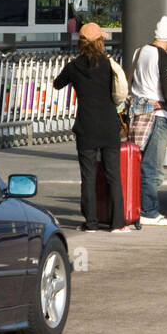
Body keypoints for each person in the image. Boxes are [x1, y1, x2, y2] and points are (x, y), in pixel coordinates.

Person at [54, 23, 126, 232]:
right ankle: (117, 223)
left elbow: (57, 84)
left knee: (88, 176)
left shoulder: (73, 66)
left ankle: (91, 223)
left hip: (86, 126)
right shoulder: (108, 64)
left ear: (81, 43)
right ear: (100, 42)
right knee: (113, 174)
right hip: (109, 125)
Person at [129, 15, 167, 227]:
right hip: (156, 116)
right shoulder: (164, 58)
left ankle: (133, 207)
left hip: (137, 115)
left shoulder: (139, 52)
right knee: (152, 168)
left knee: (137, 164)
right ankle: (150, 211)